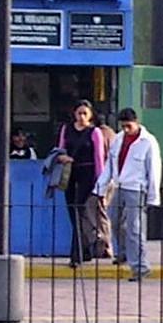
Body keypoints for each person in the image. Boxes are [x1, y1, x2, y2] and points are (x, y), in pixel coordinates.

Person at [97, 108, 162, 282]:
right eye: (123, 126)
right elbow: (110, 166)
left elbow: (154, 169)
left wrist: (153, 196)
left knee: (135, 227)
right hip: (119, 185)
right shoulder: (118, 140)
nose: (126, 130)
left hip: (137, 187)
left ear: (136, 122)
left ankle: (140, 266)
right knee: (115, 220)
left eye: (129, 126)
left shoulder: (148, 142)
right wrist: (100, 188)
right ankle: (123, 252)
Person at [52, 100, 108, 267]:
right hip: (70, 173)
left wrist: (100, 183)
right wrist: (62, 157)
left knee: (80, 210)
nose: (82, 117)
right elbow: (60, 149)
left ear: (90, 115)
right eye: (79, 113)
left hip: (87, 173)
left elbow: (99, 158)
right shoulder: (66, 129)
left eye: (85, 113)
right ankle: (84, 250)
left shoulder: (94, 132)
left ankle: (76, 254)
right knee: (72, 212)